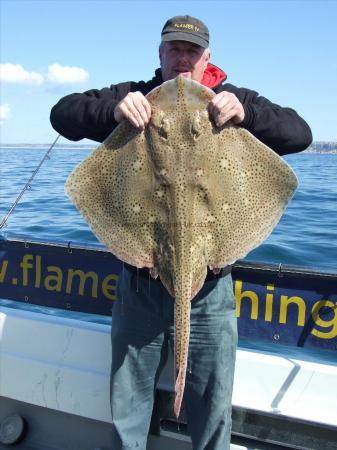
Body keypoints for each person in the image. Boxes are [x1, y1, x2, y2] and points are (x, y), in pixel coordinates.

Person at [50, 15, 312, 450]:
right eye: (175, 49)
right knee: (128, 404)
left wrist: (247, 113)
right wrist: (112, 110)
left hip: (212, 289)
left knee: (212, 408)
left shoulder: (233, 99)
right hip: (141, 284)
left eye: (192, 51)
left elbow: (299, 134)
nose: (182, 59)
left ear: (207, 58)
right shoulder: (135, 96)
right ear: (160, 54)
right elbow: (62, 114)